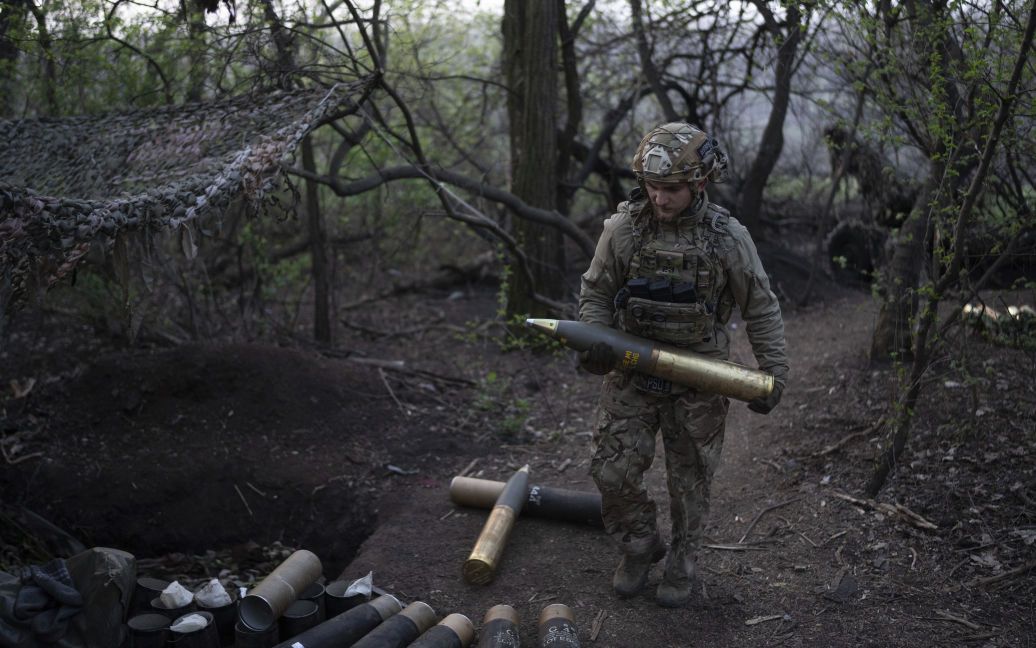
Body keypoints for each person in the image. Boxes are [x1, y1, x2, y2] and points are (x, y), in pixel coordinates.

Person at [577, 122, 789, 608]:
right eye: (653, 188)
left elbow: (760, 304)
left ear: (699, 184)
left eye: (671, 189)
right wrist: (596, 337)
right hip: (632, 369)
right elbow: (596, 291)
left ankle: (683, 558)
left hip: (699, 375)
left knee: (690, 480)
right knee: (611, 472)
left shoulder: (727, 238)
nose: (661, 198)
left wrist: (773, 373)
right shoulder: (624, 229)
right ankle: (639, 546)